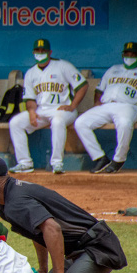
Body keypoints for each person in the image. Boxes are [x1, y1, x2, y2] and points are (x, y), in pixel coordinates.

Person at [74, 42, 137, 174]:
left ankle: (118, 159)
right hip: (106, 105)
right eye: (127, 53)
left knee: (124, 123)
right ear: (122, 55)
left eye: (133, 54)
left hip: (129, 107)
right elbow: (99, 90)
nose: (129, 56)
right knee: (80, 123)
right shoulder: (113, 69)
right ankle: (100, 158)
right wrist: (97, 102)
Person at [9, 39, 88, 174]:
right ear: (33, 52)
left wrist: (73, 105)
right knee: (15, 123)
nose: (40, 53)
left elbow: (83, 85)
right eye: (38, 51)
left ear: (49, 52)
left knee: (57, 122)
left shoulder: (63, 66)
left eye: (43, 50)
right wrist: (32, 111)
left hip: (62, 109)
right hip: (42, 111)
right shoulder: (31, 73)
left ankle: (57, 163)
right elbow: (30, 98)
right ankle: (24, 163)